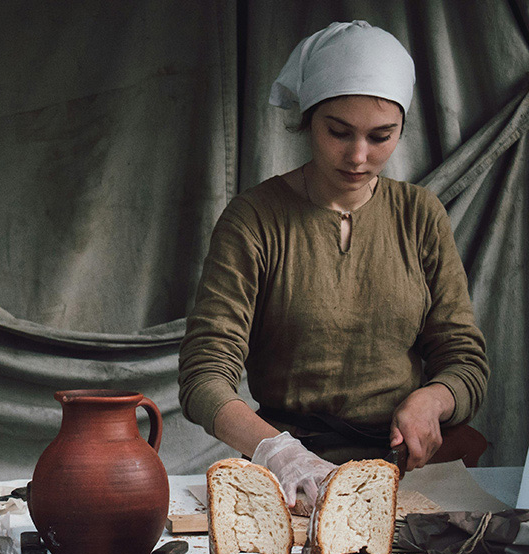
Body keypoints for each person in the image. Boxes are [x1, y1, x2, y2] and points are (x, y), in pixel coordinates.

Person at [178, 21, 489, 510]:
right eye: (338, 132)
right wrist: (276, 451)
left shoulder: (420, 215)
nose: (359, 156)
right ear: (307, 120)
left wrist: (433, 399)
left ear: (402, 129)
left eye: (381, 136)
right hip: (294, 478)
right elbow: (204, 375)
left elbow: (464, 359)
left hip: (408, 475)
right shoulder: (255, 219)